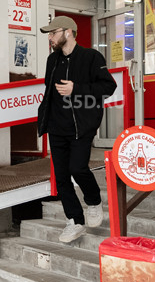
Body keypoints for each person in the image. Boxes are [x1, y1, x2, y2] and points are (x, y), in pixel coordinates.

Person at [36, 16, 117, 244]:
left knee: (78, 168)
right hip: (56, 126)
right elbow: (49, 91)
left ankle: (93, 201)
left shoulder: (91, 57)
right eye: (49, 34)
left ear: (68, 32)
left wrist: (76, 89)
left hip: (81, 126)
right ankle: (75, 220)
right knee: (61, 177)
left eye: (53, 33)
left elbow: (108, 87)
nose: (50, 38)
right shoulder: (52, 60)